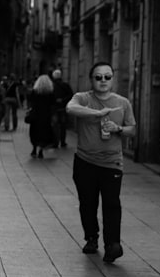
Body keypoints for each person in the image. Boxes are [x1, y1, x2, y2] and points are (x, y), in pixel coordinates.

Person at [66, 62, 137, 263]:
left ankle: (112, 244)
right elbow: (70, 108)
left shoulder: (122, 103)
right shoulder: (83, 98)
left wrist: (118, 129)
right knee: (88, 204)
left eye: (107, 77)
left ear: (113, 79)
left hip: (112, 162)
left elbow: (132, 128)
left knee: (112, 204)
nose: (103, 81)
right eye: (98, 77)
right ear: (92, 79)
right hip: (85, 161)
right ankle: (91, 237)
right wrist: (97, 114)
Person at [27, 74, 56, 159]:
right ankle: (41, 151)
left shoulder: (35, 92)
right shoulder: (50, 93)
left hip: (35, 115)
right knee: (44, 133)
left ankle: (34, 148)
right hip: (46, 116)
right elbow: (53, 105)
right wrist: (53, 115)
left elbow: (31, 103)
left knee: (34, 132)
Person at [51, 69, 74, 147]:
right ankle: (63, 142)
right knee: (63, 125)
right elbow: (71, 95)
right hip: (63, 107)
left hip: (54, 108)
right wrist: (63, 100)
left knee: (55, 126)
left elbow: (49, 97)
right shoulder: (65, 85)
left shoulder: (51, 86)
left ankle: (55, 142)